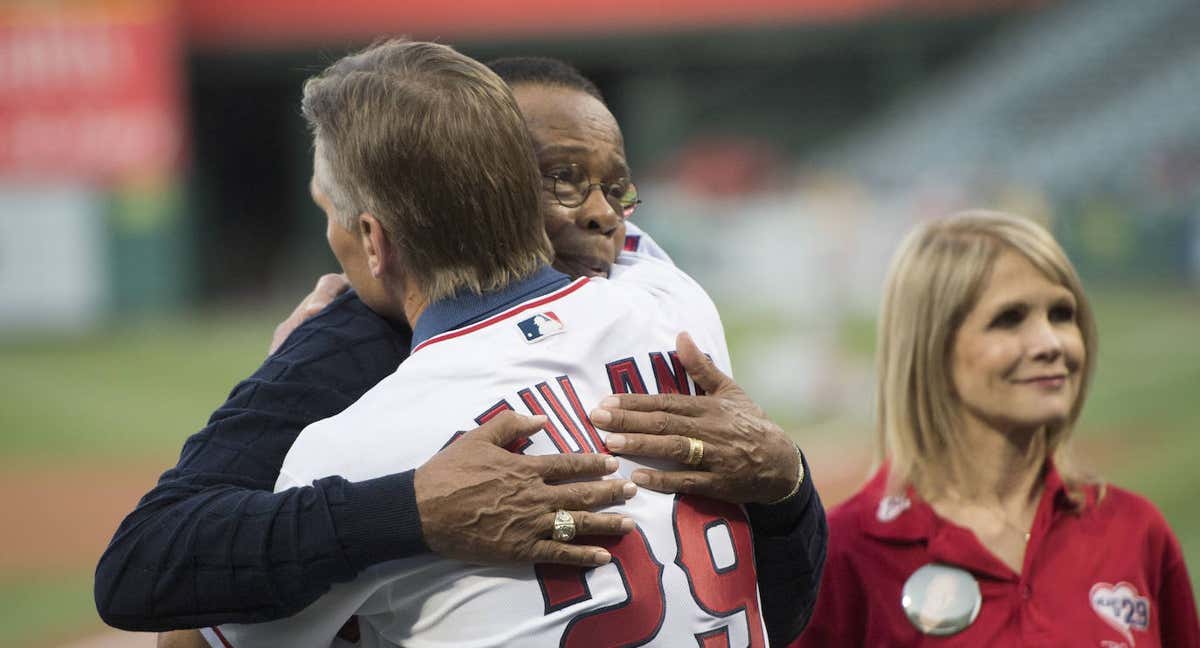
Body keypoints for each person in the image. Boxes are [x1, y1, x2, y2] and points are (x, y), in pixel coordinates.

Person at [100, 50, 824, 647]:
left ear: (375, 240)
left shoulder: (357, 435)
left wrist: (399, 515)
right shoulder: (670, 309)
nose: (603, 216)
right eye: (565, 180)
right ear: (520, 197)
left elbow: (165, 605)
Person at [795, 211, 1200, 646]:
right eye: (1009, 319)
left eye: (1062, 314)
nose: (1050, 343)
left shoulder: (1135, 530)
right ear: (932, 347)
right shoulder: (846, 552)